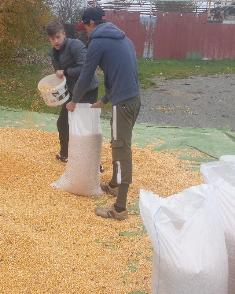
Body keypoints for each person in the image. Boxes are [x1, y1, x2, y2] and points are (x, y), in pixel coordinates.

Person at [67, 8, 141, 220]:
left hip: (124, 104)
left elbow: (85, 76)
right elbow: (121, 72)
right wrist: (105, 100)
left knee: (121, 150)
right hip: (134, 100)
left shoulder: (98, 42)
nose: (85, 32)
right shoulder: (122, 37)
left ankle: (119, 208)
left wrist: (73, 101)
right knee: (120, 143)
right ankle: (114, 184)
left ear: (91, 23)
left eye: (85, 27)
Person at [46, 20, 99, 163]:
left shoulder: (75, 45)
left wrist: (66, 71)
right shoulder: (53, 53)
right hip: (71, 91)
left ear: (63, 34)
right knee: (62, 123)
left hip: (88, 89)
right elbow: (59, 74)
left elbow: (86, 68)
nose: (55, 41)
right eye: (52, 39)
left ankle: (94, 163)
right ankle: (66, 154)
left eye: (57, 37)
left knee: (85, 126)